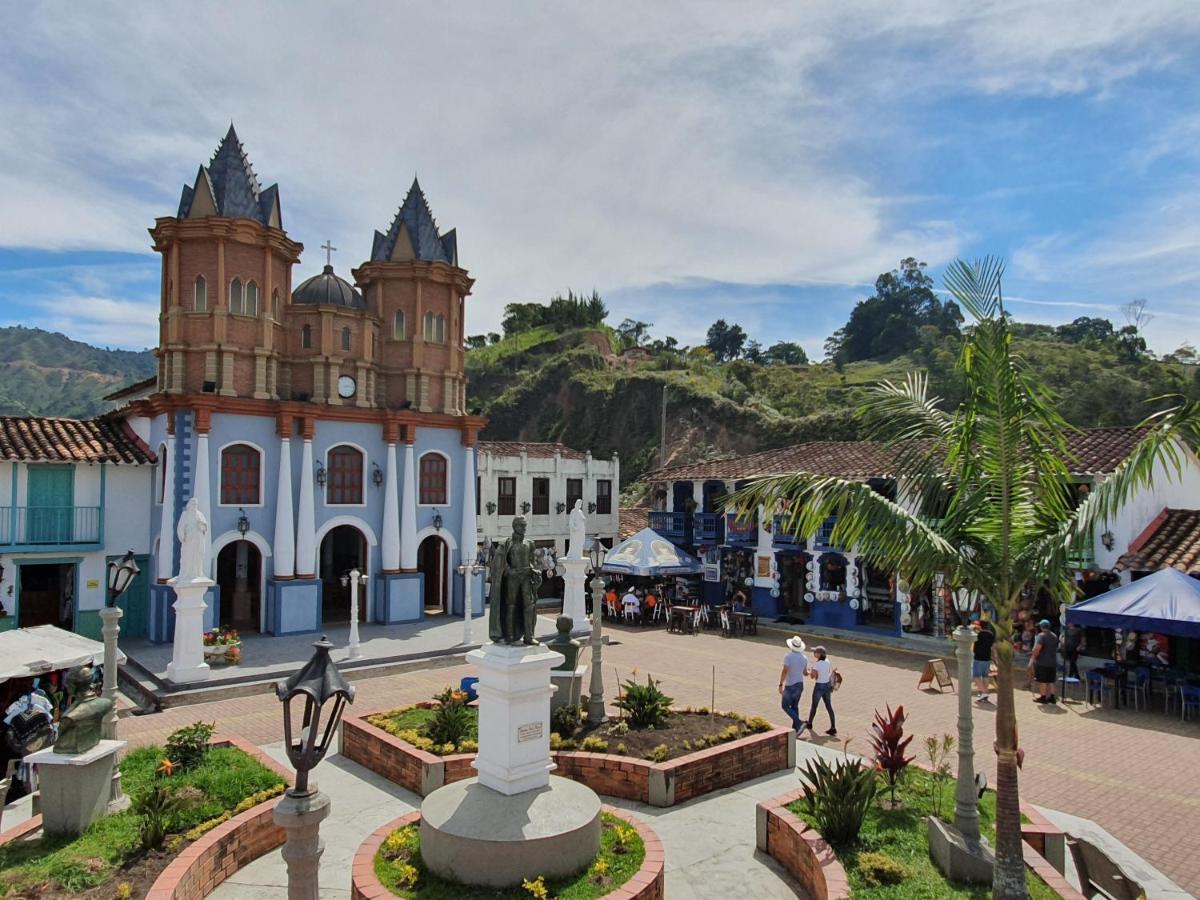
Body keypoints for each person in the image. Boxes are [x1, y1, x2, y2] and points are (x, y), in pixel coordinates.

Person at [778, 636, 809, 735]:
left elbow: (785, 671)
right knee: (795, 706)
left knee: (785, 706)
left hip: (790, 685)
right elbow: (805, 673)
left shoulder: (788, 657)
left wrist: (780, 683)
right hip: (800, 684)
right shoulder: (804, 658)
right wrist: (809, 672)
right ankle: (796, 728)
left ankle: (799, 723)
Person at [805, 645, 837, 736]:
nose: (814, 653)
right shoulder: (827, 661)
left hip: (819, 686)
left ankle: (810, 723)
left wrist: (810, 670)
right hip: (827, 685)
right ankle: (833, 727)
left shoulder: (817, 664)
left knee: (814, 706)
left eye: (815, 652)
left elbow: (812, 676)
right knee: (829, 706)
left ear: (819, 654)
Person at [1028, 619, 1059, 704]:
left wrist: (1034, 657)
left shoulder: (1041, 636)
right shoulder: (1054, 636)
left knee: (1043, 681)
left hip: (1043, 662)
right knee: (1051, 681)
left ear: (1041, 627)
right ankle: (1052, 697)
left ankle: (1043, 697)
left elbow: (1038, 648)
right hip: (1052, 662)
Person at [973, 613, 996, 704]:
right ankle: (984, 693)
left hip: (978, 658)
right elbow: (993, 647)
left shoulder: (977, 635)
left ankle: (984, 692)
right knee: (985, 676)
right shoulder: (991, 634)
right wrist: (994, 658)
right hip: (987, 658)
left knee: (976, 676)